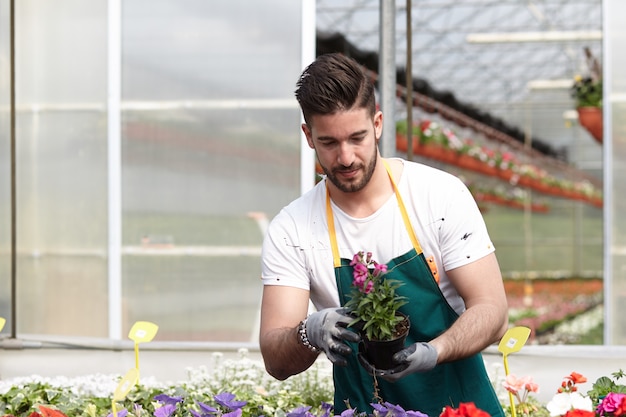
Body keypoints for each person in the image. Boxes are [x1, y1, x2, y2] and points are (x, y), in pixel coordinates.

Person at [259, 52, 508, 417]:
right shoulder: (293, 228)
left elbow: (494, 311)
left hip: (460, 408)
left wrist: (433, 352)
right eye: (329, 142)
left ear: (377, 123)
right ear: (308, 136)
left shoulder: (438, 195)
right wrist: (307, 332)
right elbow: (276, 361)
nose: (346, 157)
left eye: (357, 137)